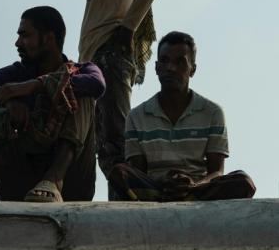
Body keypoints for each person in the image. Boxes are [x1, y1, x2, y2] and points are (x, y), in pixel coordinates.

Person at [63, 0, 166, 199]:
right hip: (91, 58)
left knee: (116, 142)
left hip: (111, 50)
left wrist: (128, 27)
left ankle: (136, 210)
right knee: (99, 147)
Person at [0, 6, 104, 202]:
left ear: (49, 39)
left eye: (25, 35)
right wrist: (7, 97)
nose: (18, 43)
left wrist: (34, 86)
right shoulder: (18, 72)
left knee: (77, 92)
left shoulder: (81, 70)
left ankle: (54, 180)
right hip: (21, 182)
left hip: (71, 186)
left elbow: (97, 84)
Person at [108, 31, 256, 201]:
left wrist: (193, 185)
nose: (171, 68)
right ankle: (166, 197)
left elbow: (216, 172)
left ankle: (186, 196)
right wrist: (162, 182)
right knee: (119, 173)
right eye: (164, 61)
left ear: (192, 69)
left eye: (180, 62)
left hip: (199, 188)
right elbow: (139, 172)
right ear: (156, 68)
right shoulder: (136, 116)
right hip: (156, 187)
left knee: (243, 182)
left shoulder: (212, 112)